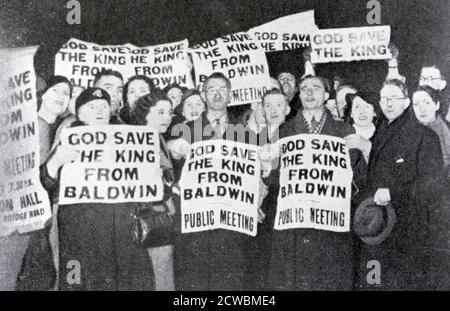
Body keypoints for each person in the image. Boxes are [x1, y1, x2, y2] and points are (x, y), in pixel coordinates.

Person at [40, 88, 155, 290]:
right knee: (78, 280)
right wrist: (56, 161)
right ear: (80, 113)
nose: (100, 111)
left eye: (104, 106)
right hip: (81, 230)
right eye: (92, 107)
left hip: (120, 229)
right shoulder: (69, 137)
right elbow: (47, 183)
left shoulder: (127, 139)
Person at [267, 75, 366, 291]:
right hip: (295, 224)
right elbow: (274, 178)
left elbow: (356, 176)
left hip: (329, 222)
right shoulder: (284, 132)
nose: (309, 93)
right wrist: (268, 167)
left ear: (327, 95)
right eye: (304, 89)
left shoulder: (344, 131)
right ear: (299, 95)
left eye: (316, 88)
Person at [355, 79, 444, 290]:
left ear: (406, 103)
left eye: (394, 98)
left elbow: (432, 185)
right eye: (384, 99)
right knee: (373, 281)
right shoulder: (380, 133)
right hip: (377, 228)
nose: (388, 103)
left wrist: (393, 193)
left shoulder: (425, 136)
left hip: (408, 231)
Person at [172, 72, 257, 291]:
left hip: (232, 223)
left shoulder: (245, 133)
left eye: (222, 89)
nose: (217, 94)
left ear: (230, 95)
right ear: (203, 95)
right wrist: (176, 149)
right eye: (211, 89)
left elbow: (253, 175)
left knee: (231, 280)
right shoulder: (186, 130)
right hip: (197, 223)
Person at [129, 89, 176, 291]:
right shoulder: (144, 140)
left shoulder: (158, 138)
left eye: (170, 112)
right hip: (153, 217)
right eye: (161, 112)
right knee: (161, 274)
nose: (167, 117)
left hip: (162, 215)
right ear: (145, 114)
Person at [412, 85, 450, 289]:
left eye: (426, 102)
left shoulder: (441, 132)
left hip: (435, 210)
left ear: (436, 104)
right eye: (416, 104)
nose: (422, 108)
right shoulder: (416, 130)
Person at [37, 76, 72, 164]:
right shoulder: (25, 123)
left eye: (66, 93)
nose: (61, 96)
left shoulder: (65, 128)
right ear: (43, 95)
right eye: (55, 90)